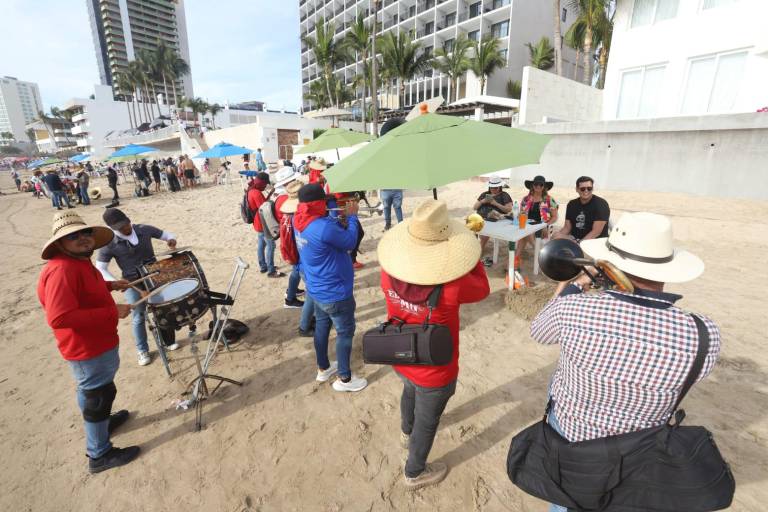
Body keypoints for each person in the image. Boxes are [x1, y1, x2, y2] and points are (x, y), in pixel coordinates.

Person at [531, 212, 721, 512]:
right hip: (641, 458)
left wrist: (576, 284)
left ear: (610, 262)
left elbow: (539, 331)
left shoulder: (574, 310)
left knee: (566, 502)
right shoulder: (703, 334)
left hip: (571, 444)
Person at [378, 199, 490, 490]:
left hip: (400, 353)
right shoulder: (453, 285)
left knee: (408, 390)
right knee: (427, 423)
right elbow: (483, 288)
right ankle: (414, 472)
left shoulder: (388, 272)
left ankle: (405, 432)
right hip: (435, 369)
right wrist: (469, 253)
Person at [37, 211, 140, 473]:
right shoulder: (61, 269)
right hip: (86, 348)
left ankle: (103, 425)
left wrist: (111, 286)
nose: (83, 238)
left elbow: (85, 292)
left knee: (100, 390)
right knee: (97, 395)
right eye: (73, 236)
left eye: (86, 232)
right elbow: (59, 318)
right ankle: (99, 454)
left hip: (99, 343)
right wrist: (111, 311)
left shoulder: (78, 261)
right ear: (60, 243)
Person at [293, 183, 367, 392]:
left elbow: (325, 240)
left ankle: (323, 368)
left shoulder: (298, 220)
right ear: (317, 204)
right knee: (345, 332)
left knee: (322, 328)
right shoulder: (323, 227)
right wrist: (352, 216)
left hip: (315, 289)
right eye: (323, 203)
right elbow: (351, 242)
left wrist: (337, 223)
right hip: (335, 292)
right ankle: (345, 378)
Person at [96, 209, 180, 366]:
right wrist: (115, 282)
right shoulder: (109, 244)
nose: (125, 228)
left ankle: (168, 341)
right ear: (113, 228)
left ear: (128, 219)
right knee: (138, 316)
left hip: (154, 275)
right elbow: (100, 268)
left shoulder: (144, 230)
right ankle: (142, 350)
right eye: (120, 228)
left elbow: (168, 235)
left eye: (126, 224)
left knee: (162, 308)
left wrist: (171, 240)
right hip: (131, 282)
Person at [280, 182, 314, 336]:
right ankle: (305, 326)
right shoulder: (298, 218)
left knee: (307, 286)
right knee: (312, 293)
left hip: (296, 258)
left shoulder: (288, 215)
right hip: (303, 260)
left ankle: (291, 298)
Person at [273, 167, 306, 308]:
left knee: (296, 270)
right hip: (293, 239)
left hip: (290, 237)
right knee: (299, 269)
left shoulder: (280, 197)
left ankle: (291, 292)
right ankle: (290, 297)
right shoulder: (285, 199)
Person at [247, 171, 284, 278]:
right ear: (261, 182)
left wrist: (270, 194)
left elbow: (262, 205)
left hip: (257, 222)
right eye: (265, 184)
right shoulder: (256, 193)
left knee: (261, 245)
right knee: (271, 245)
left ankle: (263, 266)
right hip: (263, 223)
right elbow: (265, 208)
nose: (265, 186)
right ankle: (271, 271)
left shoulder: (251, 190)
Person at [515, 175, 558, 264]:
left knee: (525, 232)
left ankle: (516, 258)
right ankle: (536, 251)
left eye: (541, 185)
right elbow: (522, 214)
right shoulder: (526, 199)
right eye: (536, 184)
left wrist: (546, 225)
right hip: (527, 225)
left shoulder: (549, 200)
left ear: (544, 187)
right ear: (532, 186)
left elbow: (554, 217)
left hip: (541, 226)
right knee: (525, 231)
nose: (538, 186)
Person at [554, 176, 610, 242]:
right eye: (582, 189)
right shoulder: (571, 204)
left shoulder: (601, 204)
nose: (586, 191)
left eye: (589, 188)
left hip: (594, 242)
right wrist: (558, 236)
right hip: (575, 239)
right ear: (577, 189)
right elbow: (567, 227)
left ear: (592, 189)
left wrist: (579, 244)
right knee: (555, 236)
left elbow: (596, 232)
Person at [473, 177, 512, 257]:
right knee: (472, 230)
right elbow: (475, 207)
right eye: (491, 187)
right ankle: (475, 247)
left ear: (500, 187)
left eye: (496, 187)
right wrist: (482, 201)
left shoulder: (504, 195)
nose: (493, 189)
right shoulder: (484, 194)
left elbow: (508, 209)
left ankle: (479, 251)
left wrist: (495, 204)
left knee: (483, 234)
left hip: (494, 220)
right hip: (480, 217)